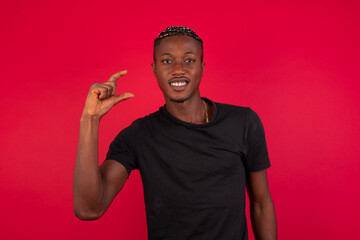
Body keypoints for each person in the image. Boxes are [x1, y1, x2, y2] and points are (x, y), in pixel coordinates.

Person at [73, 26, 277, 240]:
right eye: (167, 61)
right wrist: (90, 119)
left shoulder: (243, 122)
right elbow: (88, 209)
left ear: (202, 67)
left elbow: (261, 204)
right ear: (154, 69)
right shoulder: (138, 136)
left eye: (189, 60)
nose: (178, 69)